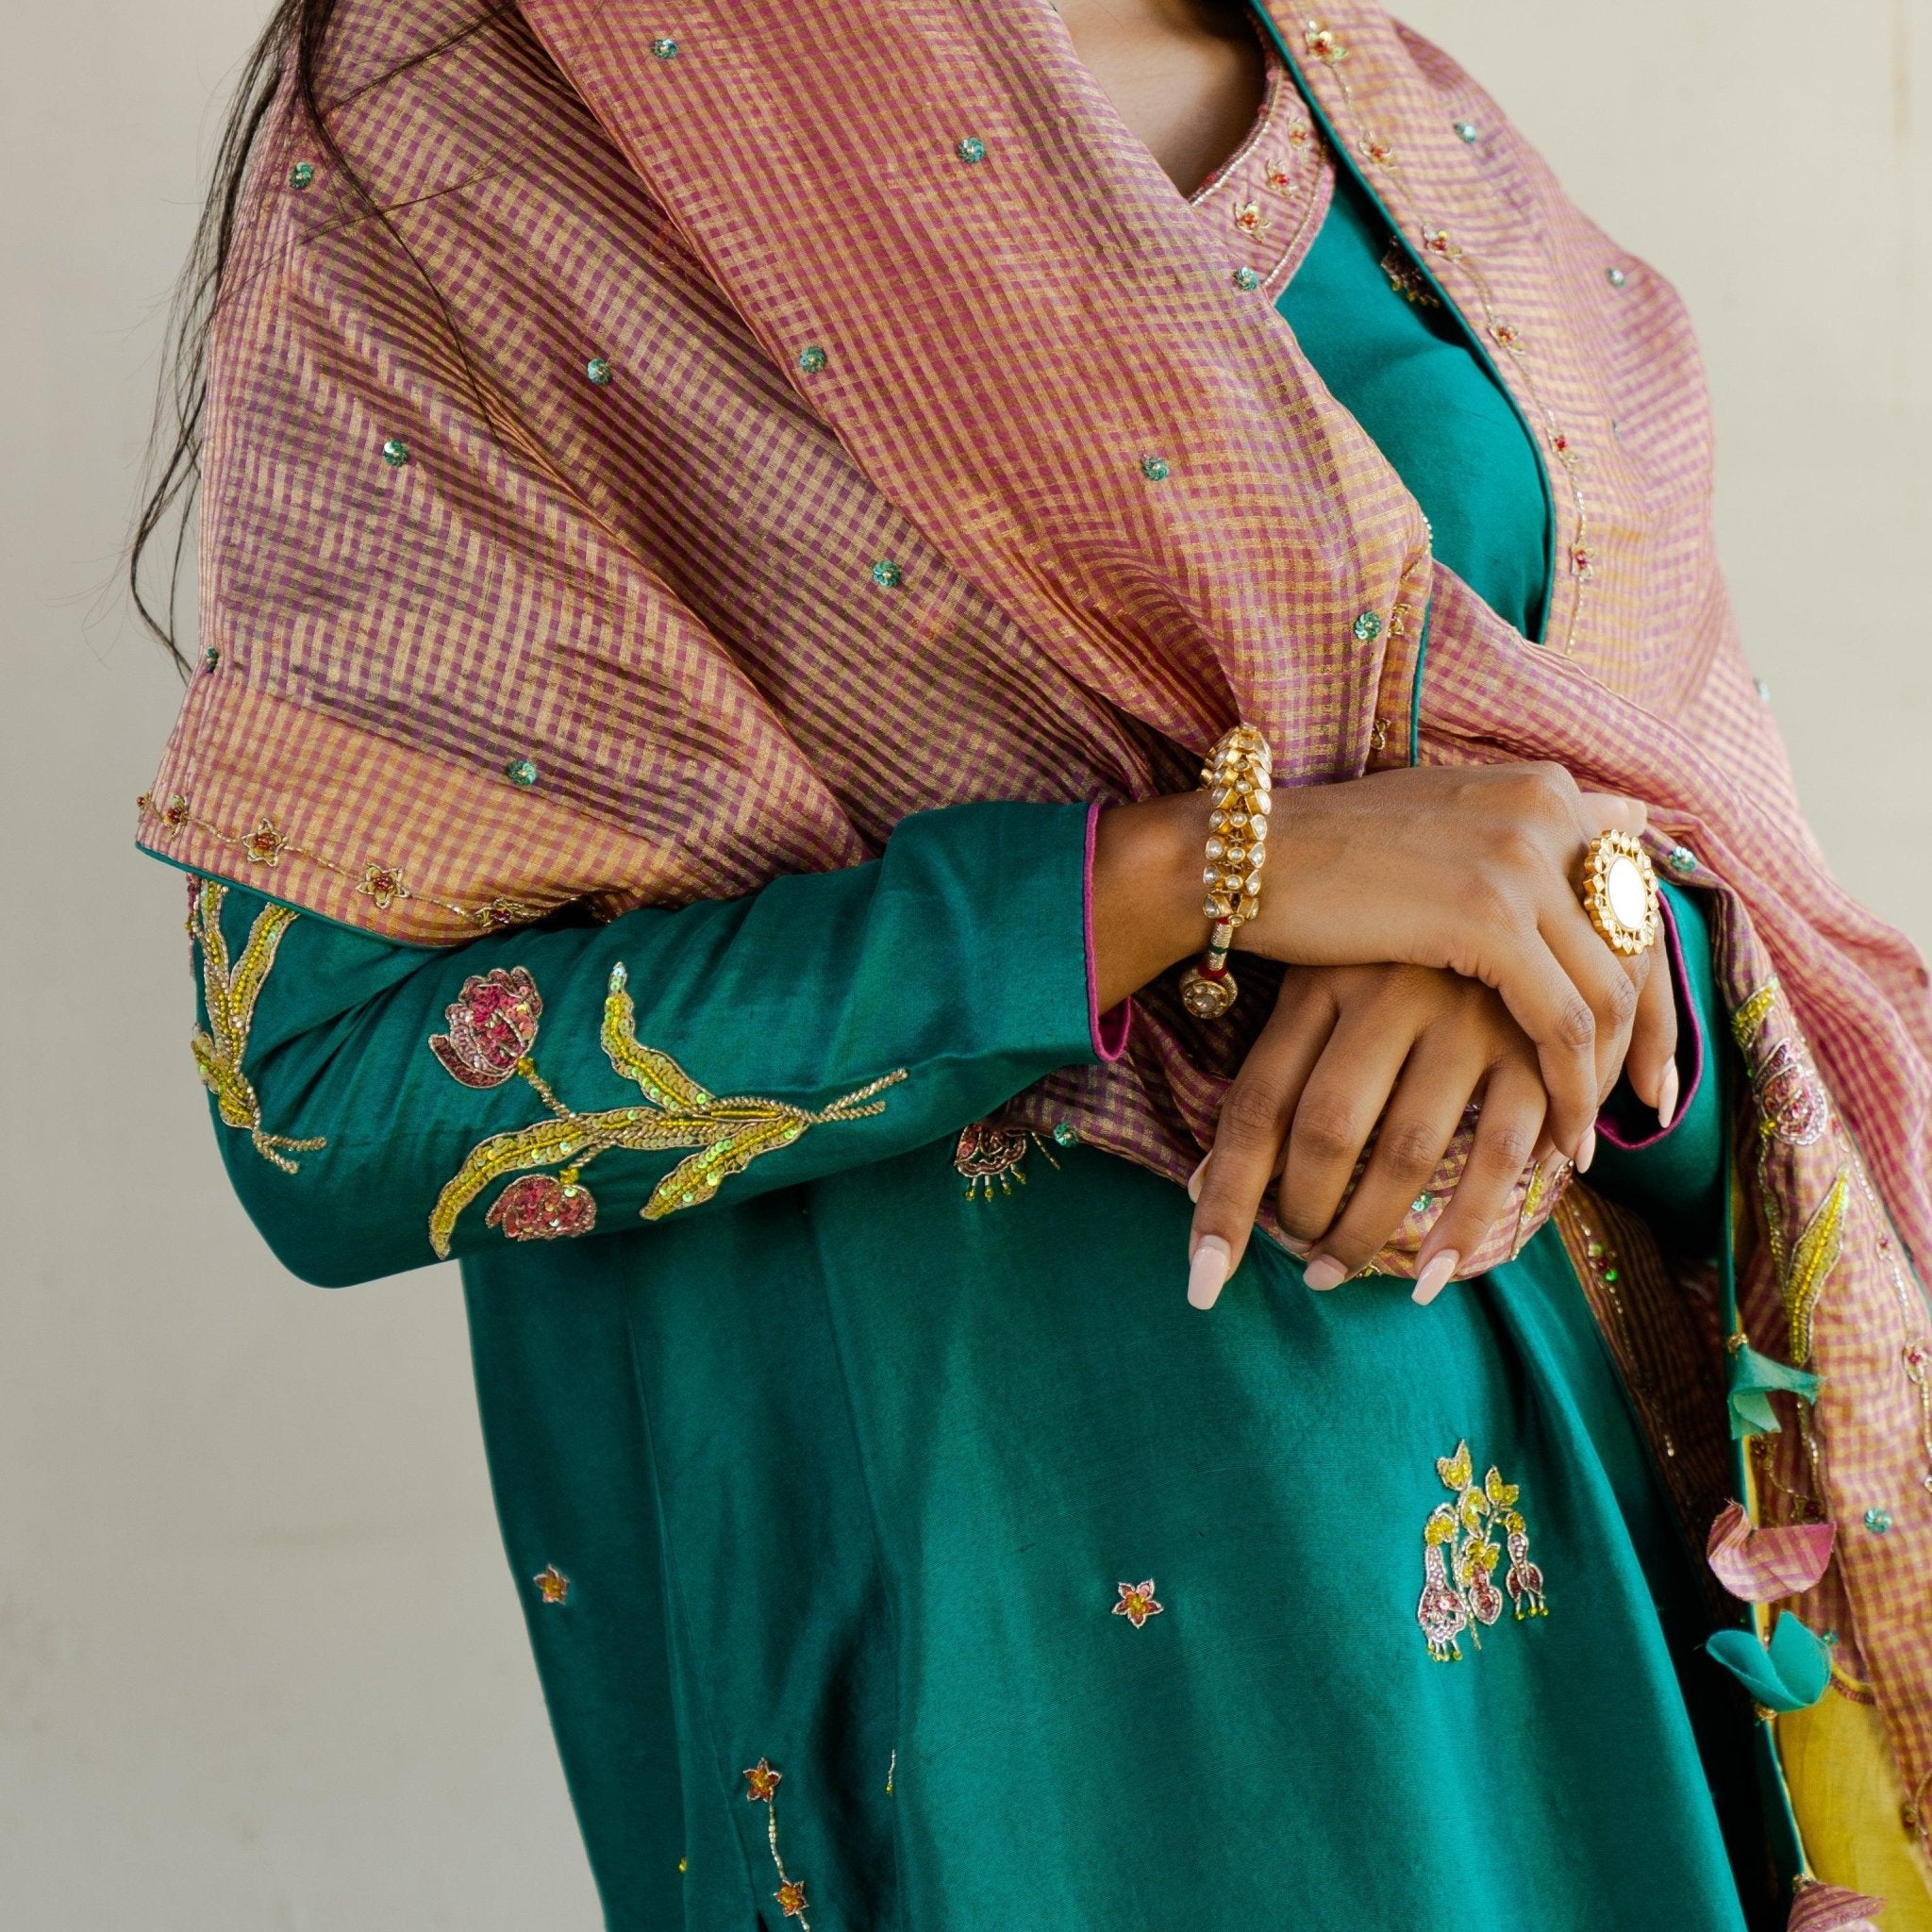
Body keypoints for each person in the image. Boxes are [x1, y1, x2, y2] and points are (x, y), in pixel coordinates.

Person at [133, 1, 1932, 1925]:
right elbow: (326, 1095)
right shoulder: (511, 108)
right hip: (1010, 1684)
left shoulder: (1388, 113)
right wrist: (1179, 879)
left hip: (1579, 1666)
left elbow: (1687, 876)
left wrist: (1565, 943)